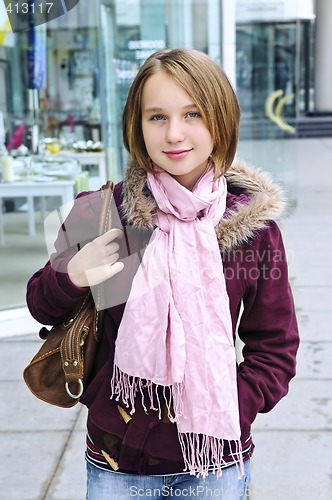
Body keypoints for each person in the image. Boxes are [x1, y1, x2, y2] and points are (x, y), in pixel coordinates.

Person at [26, 48, 299, 500]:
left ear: (220, 118)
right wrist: (72, 274)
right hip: (116, 462)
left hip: (217, 463)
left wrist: (231, 405)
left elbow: (276, 346)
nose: (174, 134)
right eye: (157, 117)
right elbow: (39, 303)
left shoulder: (253, 230)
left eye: (192, 113)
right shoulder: (101, 213)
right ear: (138, 124)